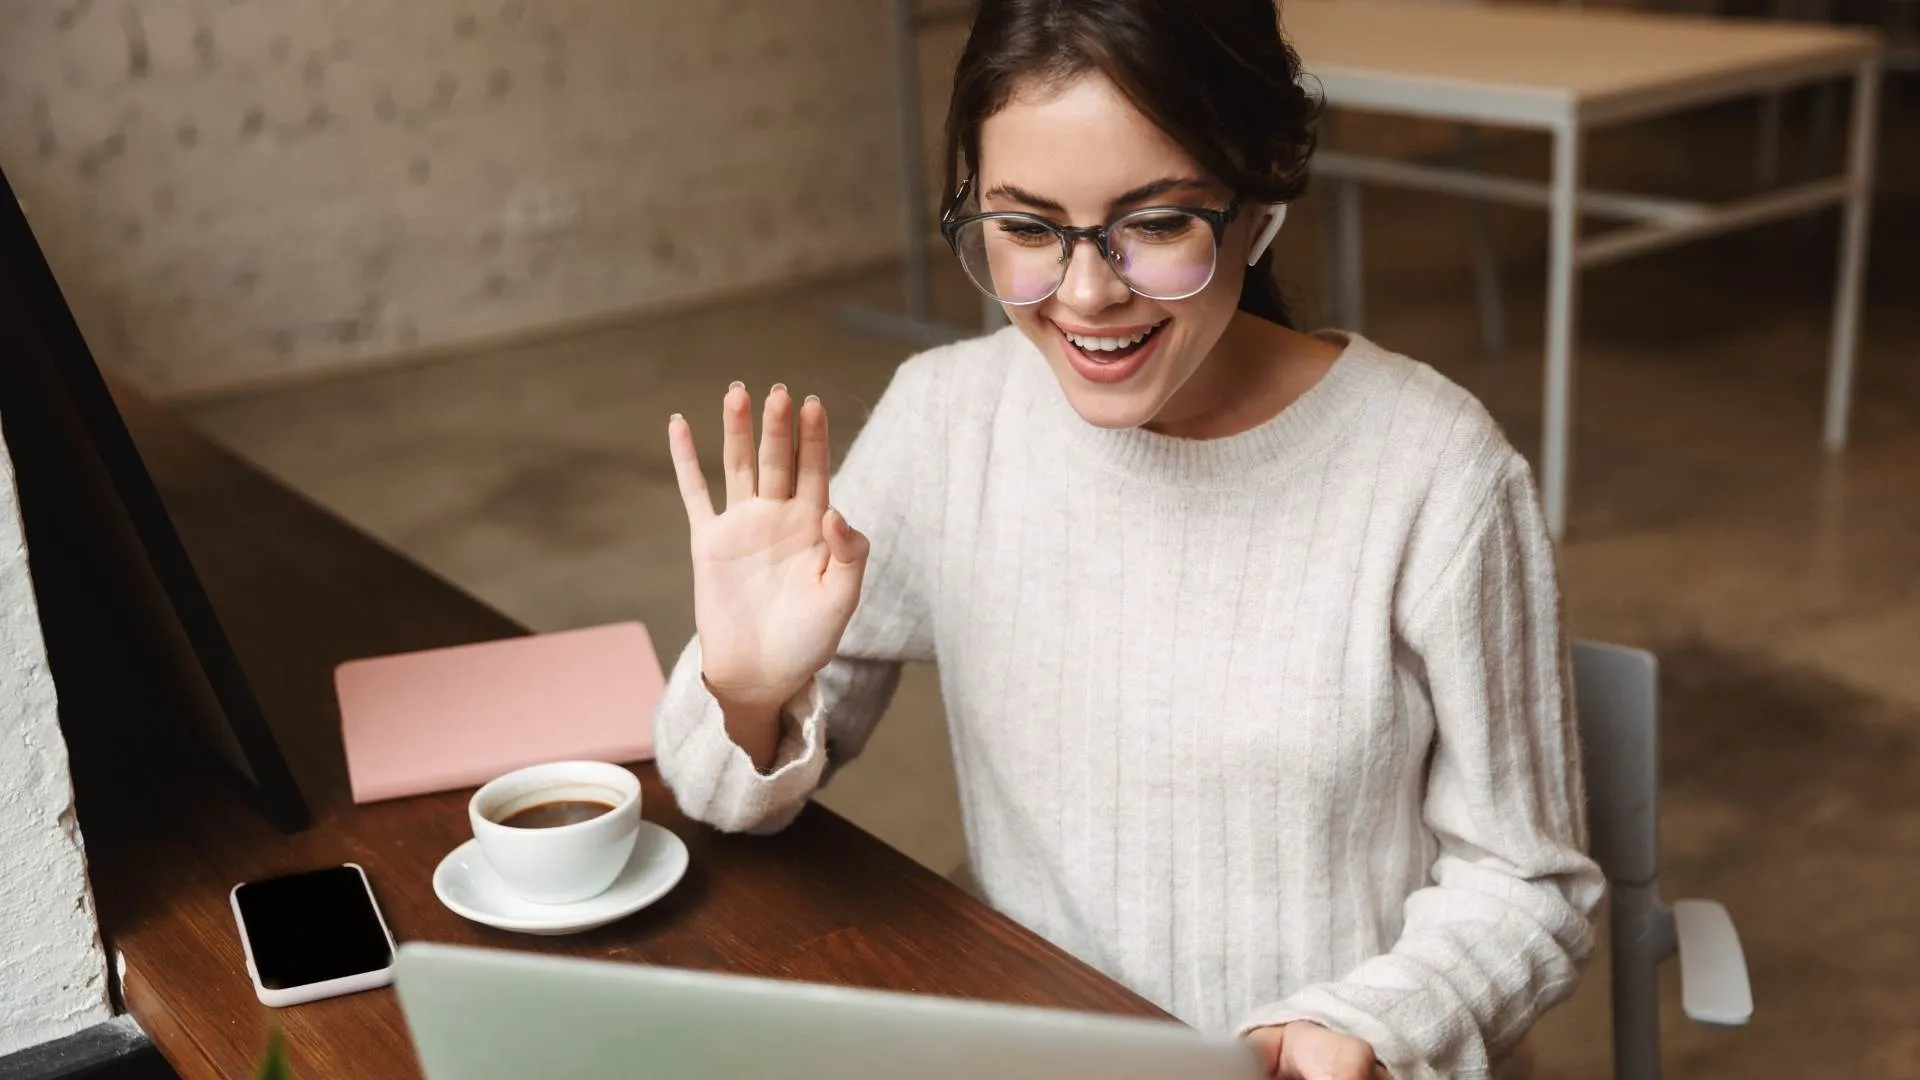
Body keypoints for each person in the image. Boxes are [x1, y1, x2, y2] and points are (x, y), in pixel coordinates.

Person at [653, 1, 1604, 1076]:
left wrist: (1378, 1027)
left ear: (1258, 205)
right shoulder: (948, 422)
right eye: (1025, 228)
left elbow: (1534, 886)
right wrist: (744, 694)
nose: (1088, 293)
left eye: (1154, 224)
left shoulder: (1433, 472)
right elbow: (714, 792)